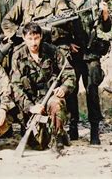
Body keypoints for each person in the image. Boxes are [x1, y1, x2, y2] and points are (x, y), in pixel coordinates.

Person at [11, 23, 75, 152]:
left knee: (56, 103)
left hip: (49, 97)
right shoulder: (17, 55)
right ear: (24, 38)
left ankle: (58, 138)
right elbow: (15, 87)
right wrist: (31, 107)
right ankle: (54, 133)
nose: (33, 42)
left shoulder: (52, 51)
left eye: (36, 38)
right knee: (39, 145)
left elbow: (69, 74)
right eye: (30, 38)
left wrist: (63, 88)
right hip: (31, 104)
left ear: (41, 37)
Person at [65, 0, 112, 144]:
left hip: (91, 53)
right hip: (73, 55)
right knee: (71, 91)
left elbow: (106, 28)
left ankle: (94, 131)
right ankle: (73, 127)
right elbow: (59, 29)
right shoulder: (64, 2)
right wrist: (68, 44)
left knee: (92, 90)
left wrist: (105, 15)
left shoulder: (93, 0)